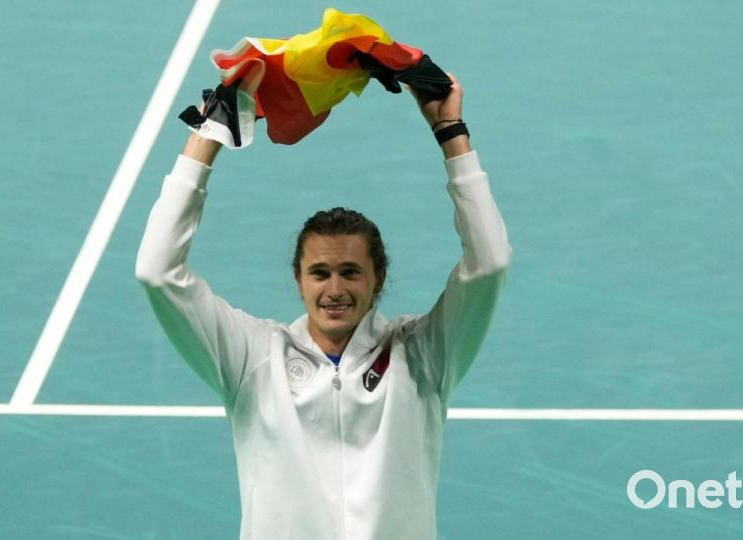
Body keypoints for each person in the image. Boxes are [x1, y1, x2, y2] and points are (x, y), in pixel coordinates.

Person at [135, 74, 511, 540]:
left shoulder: (423, 356)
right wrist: (209, 134)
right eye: (320, 273)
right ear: (299, 280)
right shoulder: (252, 357)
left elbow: (489, 263)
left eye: (350, 272)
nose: (335, 289)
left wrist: (450, 133)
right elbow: (157, 272)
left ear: (378, 279)